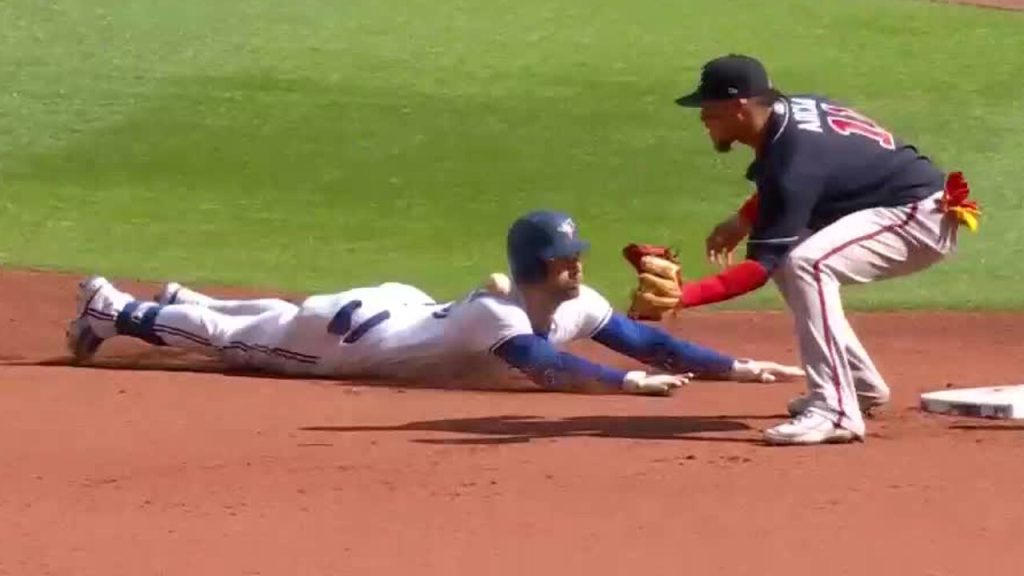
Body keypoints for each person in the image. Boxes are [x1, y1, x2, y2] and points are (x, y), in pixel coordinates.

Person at [65, 210, 803, 394]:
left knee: (266, 322)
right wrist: (628, 386)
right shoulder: (499, 316)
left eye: (578, 259)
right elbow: (549, 368)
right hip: (344, 341)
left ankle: (179, 299)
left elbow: (650, 344)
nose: (579, 270)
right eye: (566, 261)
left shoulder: (572, 302)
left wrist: (733, 367)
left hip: (394, 308)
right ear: (537, 266)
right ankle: (113, 310)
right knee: (238, 342)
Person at [638, 54, 979, 443]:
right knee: (794, 260)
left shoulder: (794, 158)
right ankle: (857, 383)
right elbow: (803, 179)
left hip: (918, 217)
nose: (703, 119)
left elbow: (760, 264)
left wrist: (686, 295)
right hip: (893, 203)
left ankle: (835, 411)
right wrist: (745, 218)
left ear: (739, 106)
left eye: (709, 110)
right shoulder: (785, 114)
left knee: (807, 264)